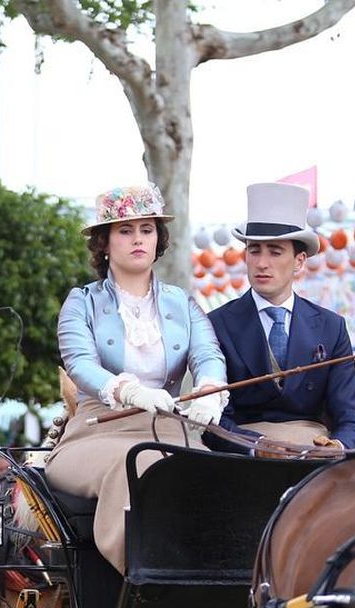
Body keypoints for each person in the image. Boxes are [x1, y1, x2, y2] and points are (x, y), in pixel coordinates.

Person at [45, 183, 228, 573]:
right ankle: (145, 577)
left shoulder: (183, 302)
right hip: (98, 432)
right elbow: (79, 363)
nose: (138, 239)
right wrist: (128, 390)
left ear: (158, 239)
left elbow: (208, 354)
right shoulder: (82, 302)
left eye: (146, 230)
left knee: (220, 475)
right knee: (137, 465)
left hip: (172, 430)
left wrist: (211, 390)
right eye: (125, 231)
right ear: (104, 243)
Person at [205, 182, 355, 451]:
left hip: (313, 456)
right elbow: (212, 417)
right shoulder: (215, 324)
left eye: (275, 252)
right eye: (254, 250)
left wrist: (337, 447)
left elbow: (351, 416)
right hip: (239, 459)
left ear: (299, 261)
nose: (262, 263)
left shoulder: (331, 327)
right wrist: (257, 447)